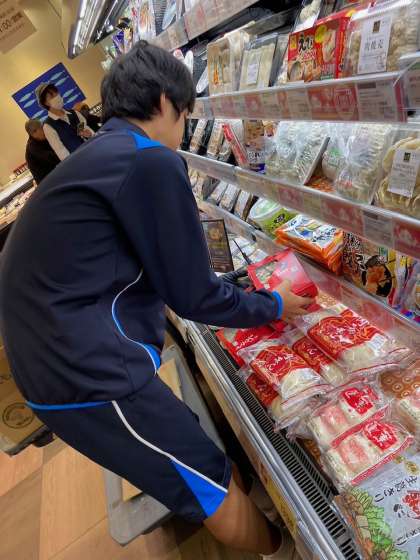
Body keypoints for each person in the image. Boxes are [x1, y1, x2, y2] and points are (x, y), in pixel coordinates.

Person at [0, 42, 313, 558]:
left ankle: (254, 510)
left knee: (193, 449)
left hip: (58, 353)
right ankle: (281, 550)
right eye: (186, 115)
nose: (185, 130)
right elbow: (194, 297)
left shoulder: (105, 153)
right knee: (204, 483)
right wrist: (273, 305)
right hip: (82, 373)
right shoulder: (148, 159)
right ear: (166, 102)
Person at [35, 83, 94, 161]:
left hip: (92, 151)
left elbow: (86, 128)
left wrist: (89, 134)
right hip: (78, 162)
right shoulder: (48, 126)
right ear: (45, 103)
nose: (57, 97)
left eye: (56, 93)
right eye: (52, 96)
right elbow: (61, 151)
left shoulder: (74, 113)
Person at [24, 119, 60, 184]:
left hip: (54, 175)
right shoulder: (32, 146)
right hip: (46, 181)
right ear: (34, 133)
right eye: (41, 128)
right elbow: (52, 157)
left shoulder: (43, 139)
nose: (44, 130)